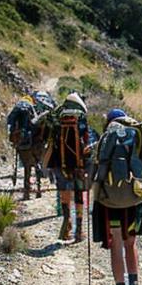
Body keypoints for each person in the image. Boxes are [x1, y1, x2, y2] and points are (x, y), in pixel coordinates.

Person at [90, 108, 142, 285]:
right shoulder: (137, 137)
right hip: (134, 200)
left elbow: (94, 169)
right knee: (130, 243)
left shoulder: (104, 139)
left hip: (110, 202)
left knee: (116, 244)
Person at [42, 92, 90, 242]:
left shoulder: (55, 116)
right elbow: (87, 140)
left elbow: (47, 138)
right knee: (79, 195)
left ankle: (66, 222)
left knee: (64, 192)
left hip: (59, 162)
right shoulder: (81, 117)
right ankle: (79, 230)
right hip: (79, 163)